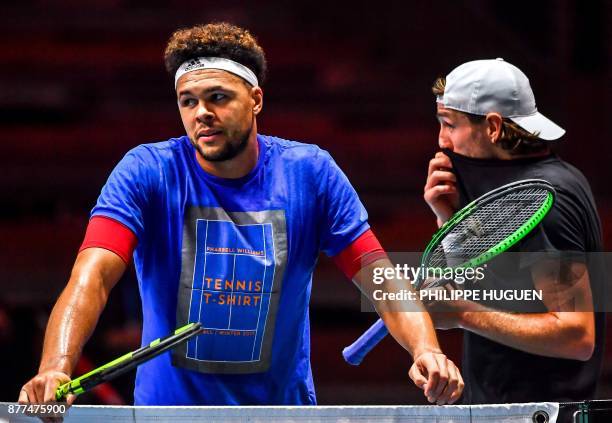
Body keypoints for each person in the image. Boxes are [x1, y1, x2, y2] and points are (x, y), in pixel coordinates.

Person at [19, 22, 463, 406]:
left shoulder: (309, 173)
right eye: (187, 101)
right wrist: (56, 366)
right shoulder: (146, 171)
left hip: (279, 413)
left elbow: (379, 277)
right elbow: (91, 276)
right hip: (166, 415)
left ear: (255, 99)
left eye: (217, 97)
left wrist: (426, 348)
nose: (202, 114)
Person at [423, 58, 604, 403]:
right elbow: (494, 287)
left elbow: (577, 335)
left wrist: (461, 313)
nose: (442, 140)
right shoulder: (517, 188)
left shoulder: (550, 198)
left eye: (449, 124)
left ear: (492, 127)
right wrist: (447, 220)